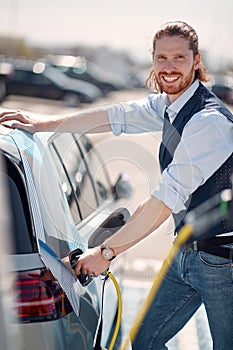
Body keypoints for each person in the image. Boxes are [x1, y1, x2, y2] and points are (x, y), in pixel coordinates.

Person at [1, 21, 233, 349]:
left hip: (223, 261)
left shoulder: (208, 122)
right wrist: (43, 124)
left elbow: (164, 200)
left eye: (179, 58)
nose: (169, 67)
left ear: (197, 61)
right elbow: (113, 116)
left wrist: (106, 252)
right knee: (143, 342)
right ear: (152, 59)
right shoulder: (168, 105)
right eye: (162, 57)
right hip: (186, 252)